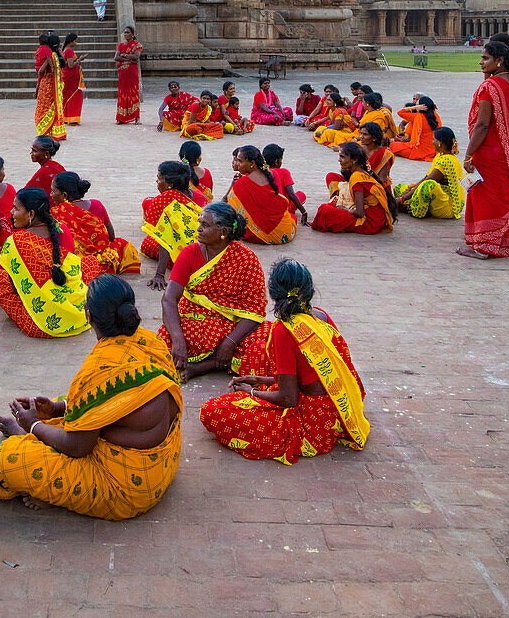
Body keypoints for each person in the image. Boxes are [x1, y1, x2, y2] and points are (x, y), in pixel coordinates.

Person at [0, 275, 181, 519]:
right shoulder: (153, 342)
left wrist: (32, 425)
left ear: (89, 316)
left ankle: (39, 461)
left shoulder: (97, 369)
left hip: (125, 489)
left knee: (6, 461)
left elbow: (77, 446)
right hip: (162, 464)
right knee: (76, 405)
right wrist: (58, 408)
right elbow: (115, 405)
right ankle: (43, 430)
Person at [200, 258, 369, 464]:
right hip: (341, 408)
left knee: (213, 411)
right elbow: (311, 375)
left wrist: (250, 391)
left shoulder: (283, 330)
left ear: (274, 295)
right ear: (309, 290)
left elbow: (289, 399)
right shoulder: (321, 316)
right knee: (258, 355)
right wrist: (260, 378)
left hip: (315, 423)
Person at [158, 202, 268, 382]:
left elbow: (256, 310)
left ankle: (204, 366)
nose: (198, 229)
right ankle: (216, 362)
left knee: (265, 342)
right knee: (164, 338)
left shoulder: (247, 259)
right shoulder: (189, 253)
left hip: (233, 324)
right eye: (200, 222)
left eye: (205, 225)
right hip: (195, 320)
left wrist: (229, 343)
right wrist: (178, 340)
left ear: (223, 232)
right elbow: (169, 299)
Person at [458, 39, 509, 260]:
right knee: (502, 193)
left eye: (485, 58)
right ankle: (501, 244)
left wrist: (469, 154)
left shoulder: (489, 87)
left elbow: (482, 125)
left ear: (499, 61)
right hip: (507, 149)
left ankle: (483, 247)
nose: (481, 62)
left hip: (489, 149)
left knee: (485, 195)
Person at [0, 187, 89, 338]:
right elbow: (74, 272)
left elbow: (17, 290)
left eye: (16, 208)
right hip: (79, 314)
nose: (12, 213)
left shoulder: (15, 242)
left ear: (31, 214)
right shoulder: (62, 229)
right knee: (89, 262)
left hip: (40, 324)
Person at [51, 171, 141, 277]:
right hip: (106, 262)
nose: (51, 195)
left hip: (80, 265)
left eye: (53, 191)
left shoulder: (55, 214)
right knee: (122, 245)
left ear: (64, 195)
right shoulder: (97, 204)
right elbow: (111, 237)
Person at [141, 161, 206, 289]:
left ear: (170, 185)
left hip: (184, 256)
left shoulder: (161, 202)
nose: (156, 182)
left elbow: (165, 240)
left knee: (148, 243)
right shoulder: (198, 196)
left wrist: (160, 275)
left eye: (159, 179)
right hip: (207, 251)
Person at [311, 142, 396, 234]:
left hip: (370, 222)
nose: (339, 160)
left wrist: (346, 209)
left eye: (342, 157)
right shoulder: (360, 172)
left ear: (354, 160)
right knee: (329, 206)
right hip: (377, 218)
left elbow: (360, 213)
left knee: (325, 210)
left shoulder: (356, 177)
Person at [226, 144, 300, 244]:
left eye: (240, 161)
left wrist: (232, 185)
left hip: (255, 236)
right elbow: (280, 201)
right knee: (292, 217)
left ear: (252, 163)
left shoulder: (241, 183)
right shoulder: (272, 174)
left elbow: (229, 206)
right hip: (284, 233)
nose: (237, 164)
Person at [395, 126, 465, 220]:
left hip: (447, 205)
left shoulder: (447, 160)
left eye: (434, 140)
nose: (432, 142)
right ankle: (414, 207)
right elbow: (426, 176)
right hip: (437, 198)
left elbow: (428, 181)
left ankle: (413, 209)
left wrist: (402, 199)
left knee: (428, 185)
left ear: (440, 143)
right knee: (399, 188)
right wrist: (411, 188)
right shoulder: (440, 156)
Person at [262, 142, 309, 228]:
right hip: (285, 208)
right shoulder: (284, 172)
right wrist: (304, 212)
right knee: (301, 195)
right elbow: (291, 194)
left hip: (266, 208)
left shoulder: (261, 172)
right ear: (277, 161)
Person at [389, 94, 441, 162]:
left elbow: (400, 112)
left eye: (417, 103)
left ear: (421, 106)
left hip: (418, 150)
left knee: (393, 145)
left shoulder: (417, 116)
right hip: (434, 150)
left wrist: (413, 108)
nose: (415, 104)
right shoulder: (436, 116)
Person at [34, 32, 66, 142]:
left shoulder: (50, 55)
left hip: (46, 86)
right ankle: (55, 132)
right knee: (52, 108)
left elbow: (40, 71)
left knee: (43, 109)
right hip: (55, 87)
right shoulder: (56, 55)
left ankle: (44, 132)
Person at [115, 25, 142, 124]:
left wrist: (125, 55)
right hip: (123, 72)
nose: (126, 34)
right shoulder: (121, 45)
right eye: (125, 32)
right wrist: (129, 59)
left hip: (132, 72)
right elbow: (116, 57)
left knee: (134, 92)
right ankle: (121, 118)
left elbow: (136, 57)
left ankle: (136, 117)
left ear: (132, 34)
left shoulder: (137, 45)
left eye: (128, 32)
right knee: (123, 93)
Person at [62, 32, 86, 126]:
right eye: (75, 41)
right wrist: (80, 59)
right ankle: (72, 117)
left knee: (68, 96)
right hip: (71, 77)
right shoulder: (69, 51)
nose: (76, 43)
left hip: (70, 76)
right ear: (71, 42)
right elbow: (71, 65)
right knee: (75, 96)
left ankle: (68, 117)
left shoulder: (65, 50)